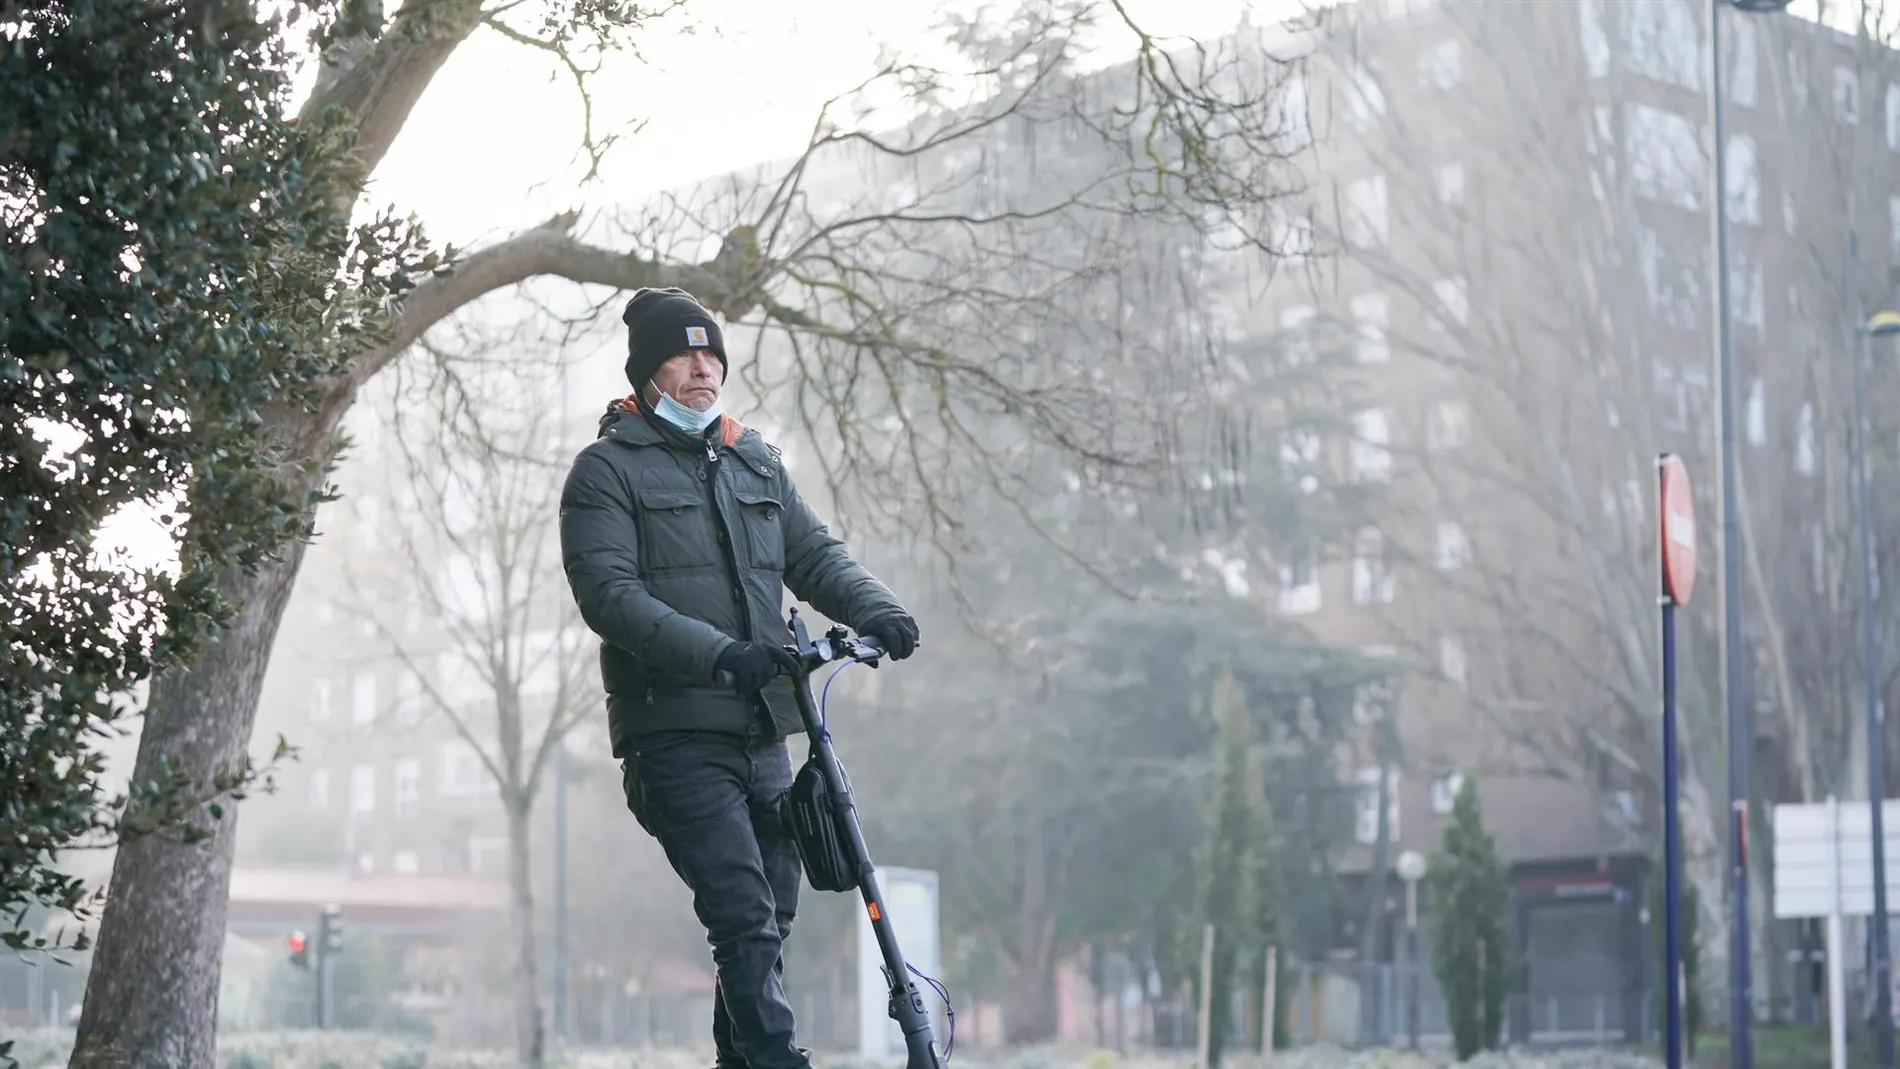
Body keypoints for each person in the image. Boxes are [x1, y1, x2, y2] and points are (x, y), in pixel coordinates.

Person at [558, 286, 920, 1069]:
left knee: (772, 920)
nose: (703, 366)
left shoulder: (754, 457)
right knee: (743, 914)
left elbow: (815, 555)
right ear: (648, 371)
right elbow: (610, 596)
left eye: (712, 353)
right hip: (675, 739)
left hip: (762, 734)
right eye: (684, 354)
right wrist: (722, 653)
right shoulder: (605, 471)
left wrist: (880, 610)